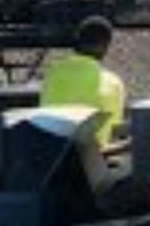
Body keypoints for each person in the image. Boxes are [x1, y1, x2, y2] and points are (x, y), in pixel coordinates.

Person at [39, 16, 126, 150]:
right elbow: (112, 132)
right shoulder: (113, 84)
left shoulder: (52, 75)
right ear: (106, 45)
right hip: (91, 162)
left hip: (52, 158)